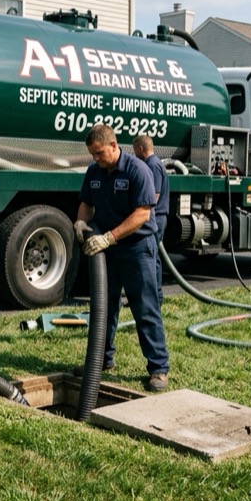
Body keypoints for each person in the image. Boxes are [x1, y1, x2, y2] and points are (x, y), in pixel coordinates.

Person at [74, 125, 170, 392]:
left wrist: (110, 237)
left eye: (100, 153)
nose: (96, 158)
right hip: (108, 250)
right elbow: (86, 203)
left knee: (145, 307)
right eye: (92, 154)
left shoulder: (138, 170)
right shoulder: (94, 172)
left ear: (114, 146)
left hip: (136, 248)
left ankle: (158, 368)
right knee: (104, 308)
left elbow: (142, 213)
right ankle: (101, 361)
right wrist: (81, 221)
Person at [133, 134, 169, 298]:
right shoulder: (155, 163)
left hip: (156, 216)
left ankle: (156, 296)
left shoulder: (152, 165)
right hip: (157, 216)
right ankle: (153, 294)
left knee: (151, 257)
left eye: (135, 150)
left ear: (141, 148)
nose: (135, 154)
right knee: (152, 256)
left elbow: (152, 196)